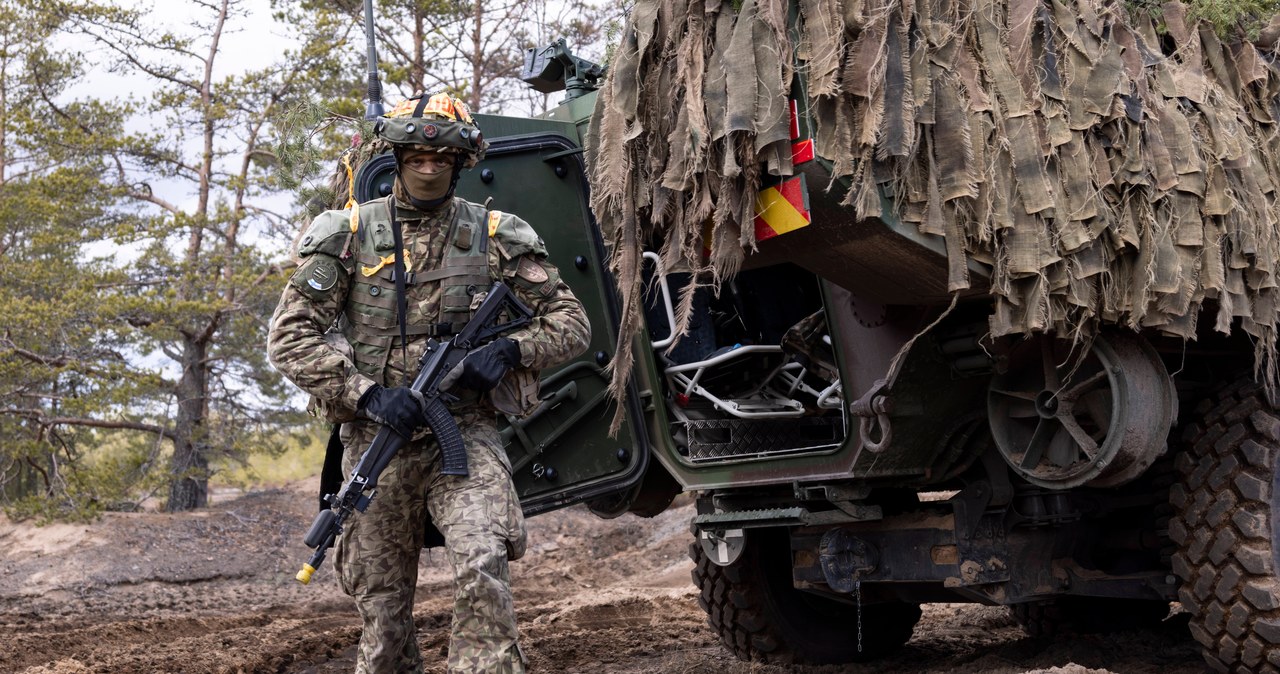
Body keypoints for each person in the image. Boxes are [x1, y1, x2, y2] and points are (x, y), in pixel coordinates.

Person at [268, 92, 590, 673]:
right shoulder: (346, 235)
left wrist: (511, 348)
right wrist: (366, 394)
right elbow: (289, 338)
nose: (427, 165)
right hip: (376, 441)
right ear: (396, 157)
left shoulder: (497, 235)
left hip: (464, 435)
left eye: (441, 156)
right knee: (384, 611)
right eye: (416, 153)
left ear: (460, 163)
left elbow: (572, 325)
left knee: (481, 564)